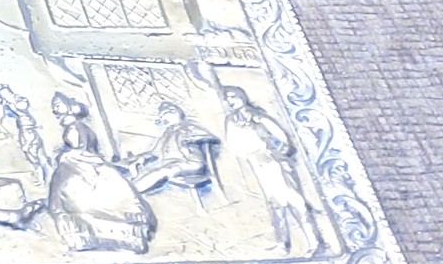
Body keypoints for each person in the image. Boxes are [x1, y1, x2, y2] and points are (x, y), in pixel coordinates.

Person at [42, 94, 156, 254]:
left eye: (57, 105)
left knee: (68, 199)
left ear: (68, 107)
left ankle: (89, 235)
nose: (54, 109)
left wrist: (65, 155)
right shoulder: (81, 126)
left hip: (77, 163)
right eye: (54, 106)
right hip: (88, 162)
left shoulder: (75, 127)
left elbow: (77, 145)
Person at [222, 86, 326, 253]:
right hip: (258, 165)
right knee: (274, 203)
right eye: (227, 98)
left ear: (242, 96)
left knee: (295, 200)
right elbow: (234, 145)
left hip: (275, 163)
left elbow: (284, 139)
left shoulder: (258, 117)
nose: (230, 101)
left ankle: (314, 242)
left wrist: (274, 152)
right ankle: (282, 244)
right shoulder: (231, 120)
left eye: (233, 96)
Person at [128, 100, 222, 199]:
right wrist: (142, 157)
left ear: (174, 113)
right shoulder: (168, 132)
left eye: (163, 115)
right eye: (160, 116)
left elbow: (210, 138)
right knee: (147, 169)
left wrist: (190, 138)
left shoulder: (190, 127)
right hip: (174, 164)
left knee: (164, 171)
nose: (161, 119)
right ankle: (132, 190)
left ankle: (131, 192)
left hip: (191, 164)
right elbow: (155, 152)